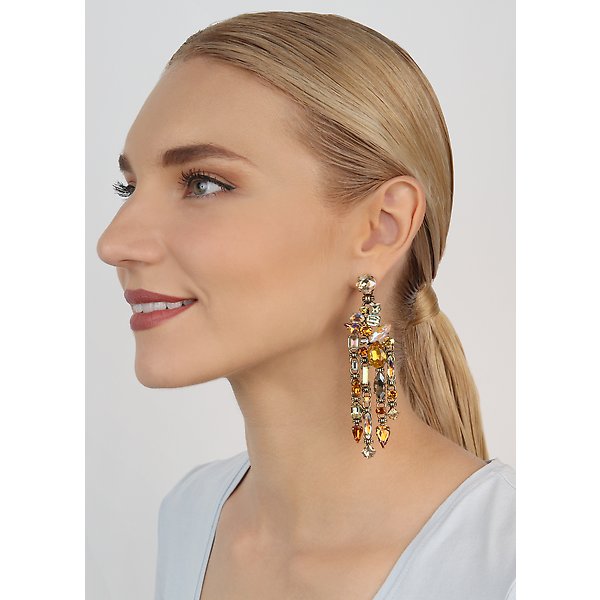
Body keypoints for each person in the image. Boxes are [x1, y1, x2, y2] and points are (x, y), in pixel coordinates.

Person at [96, 11, 515, 600]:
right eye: (129, 187)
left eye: (203, 183)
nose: (114, 243)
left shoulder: (516, 566)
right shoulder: (189, 516)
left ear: (381, 227)